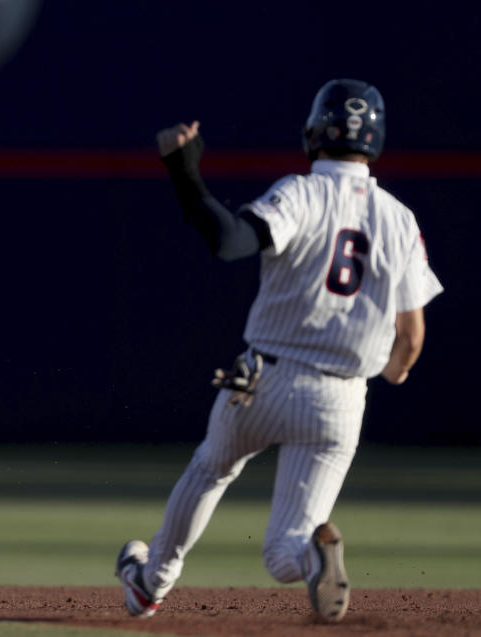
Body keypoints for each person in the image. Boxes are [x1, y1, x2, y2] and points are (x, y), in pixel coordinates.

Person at [115, 79, 443, 624]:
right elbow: (410, 339)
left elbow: (229, 242)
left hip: (264, 380)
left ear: (314, 131)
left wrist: (184, 171)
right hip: (340, 401)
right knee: (281, 551)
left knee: (210, 470)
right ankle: (311, 559)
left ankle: (151, 583)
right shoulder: (399, 219)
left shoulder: (301, 192)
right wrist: (394, 370)